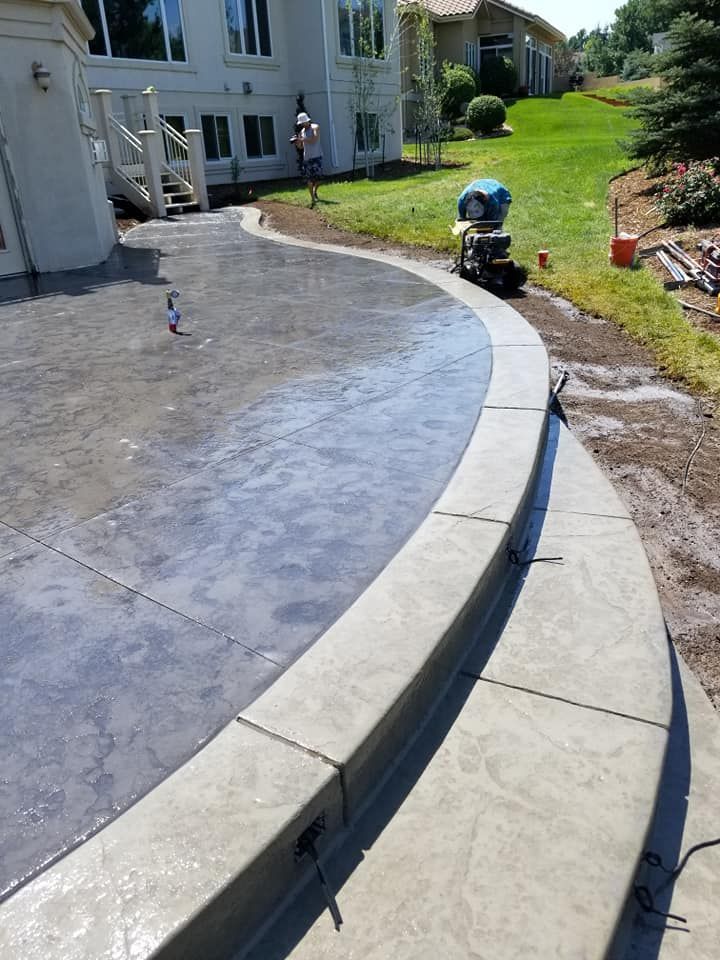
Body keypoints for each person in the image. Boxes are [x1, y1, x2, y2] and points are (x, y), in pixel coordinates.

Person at [295, 111, 323, 207]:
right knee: (309, 180)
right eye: (301, 123)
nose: (302, 124)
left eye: (303, 122)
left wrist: (303, 139)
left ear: (307, 121)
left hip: (317, 156)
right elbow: (301, 147)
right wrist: (298, 142)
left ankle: (315, 191)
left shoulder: (315, 127)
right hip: (307, 158)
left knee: (319, 179)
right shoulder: (302, 132)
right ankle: (312, 199)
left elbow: (314, 139)